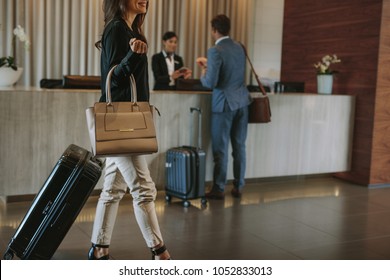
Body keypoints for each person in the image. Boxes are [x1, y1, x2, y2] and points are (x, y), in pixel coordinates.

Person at [88, 0, 171, 260]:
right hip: (122, 124)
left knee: (112, 190)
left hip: (125, 122)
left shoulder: (131, 31)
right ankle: (160, 253)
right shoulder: (117, 29)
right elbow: (112, 77)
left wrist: (134, 53)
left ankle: (98, 248)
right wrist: (133, 55)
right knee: (144, 189)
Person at [197, 14, 251, 199]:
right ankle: (239, 186)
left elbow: (211, 82)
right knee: (239, 146)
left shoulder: (215, 50)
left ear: (214, 30)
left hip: (224, 105)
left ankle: (219, 188)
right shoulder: (240, 47)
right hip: (243, 102)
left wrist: (203, 74)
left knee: (221, 149)